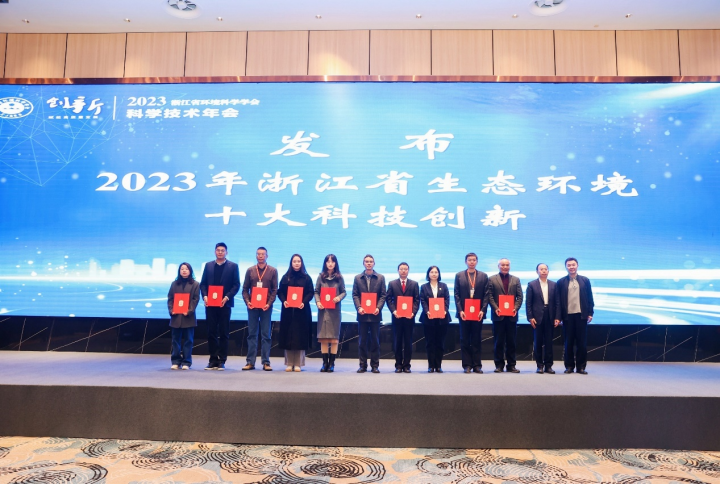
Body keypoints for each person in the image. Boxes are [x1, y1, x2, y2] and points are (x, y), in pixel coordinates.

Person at [199, 242, 240, 370]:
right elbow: (203, 284)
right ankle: (213, 360)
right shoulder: (208, 266)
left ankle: (222, 360)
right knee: (211, 332)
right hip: (210, 304)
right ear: (215, 252)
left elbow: (236, 285)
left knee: (224, 333)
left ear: (226, 252)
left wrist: (227, 297)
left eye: (223, 250)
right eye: (218, 250)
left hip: (225, 304)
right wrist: (205, 296)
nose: (220, 252)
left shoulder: (233, 266)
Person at [241, 247, 278, 371]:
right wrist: (248, 302)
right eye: (258, 254)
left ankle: (266, 362)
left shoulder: (273, 271)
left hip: (266, 307)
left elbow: (275, 290)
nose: (260, 256)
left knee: (266, 335)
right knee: (252, 334)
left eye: (263, 254)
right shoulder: (250, 270)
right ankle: (250, 362)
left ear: (267, 256)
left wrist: (269, 303)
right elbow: (245, 289)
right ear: (256, 256)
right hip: (252, 307)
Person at [556, 257, 595, 375]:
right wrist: (558, 316)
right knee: (568, 342)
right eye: (569, 265)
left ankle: (581, 367)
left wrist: (590, 312)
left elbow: (590, 297)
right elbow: (558, 301)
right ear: (566, 267)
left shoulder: (585, 280)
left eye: (573, 265)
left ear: (577, 266)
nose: (571, 267)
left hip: (581, 316)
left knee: (581, 343)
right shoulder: (561, 282)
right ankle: (569, 366)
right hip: (567, 316)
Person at [277, 254, 314, 372]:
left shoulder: (307, 278)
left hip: (302, 311)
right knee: (288, 336)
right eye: (294, 261)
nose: (297, 263)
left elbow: (311, 292)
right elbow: (280, 292)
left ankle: (298, 363)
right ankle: (289, 363)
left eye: (298, 261)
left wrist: (304, 302)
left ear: (301, 263)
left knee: (300, 336)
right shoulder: (285, 277)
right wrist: (284, 301)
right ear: (291, 263)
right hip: (288, 311)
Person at [486, 258, 523, 373]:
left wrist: (515, 308)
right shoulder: (492, 279)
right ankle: (499, 365)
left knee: (511, 342)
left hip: (512, 316)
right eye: (502, 265)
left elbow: (520, 296)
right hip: (498, 315)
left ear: (510, 266)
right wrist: (495, 308)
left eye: (507, 265)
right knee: (498, 342)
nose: (505, 267)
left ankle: (511, 365)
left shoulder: (516, 279)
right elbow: (489, 296)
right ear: (498, 266)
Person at [454, 252, 489, 374]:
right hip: (464, 313)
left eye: (474, 260)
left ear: (477, 262)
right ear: (466, 262)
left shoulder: (483, 276)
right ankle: (467, 365)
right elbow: (456, 294)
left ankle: (477, 365)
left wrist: (483, 310)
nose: (472, 262)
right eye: (469, 260)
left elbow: (486, 295)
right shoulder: (459, 276)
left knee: (476, 339)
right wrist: (460, 310)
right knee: (464, 339)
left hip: (478, 313)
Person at [352, 254, 387, 373]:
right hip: (362, 315)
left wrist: (378, 307)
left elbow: (383, 295)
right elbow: (355, 295)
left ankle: (375, 365)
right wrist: (359, 307)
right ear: (363, 263)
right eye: (366, 261)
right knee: (362, 341)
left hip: (375, 315)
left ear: (374, 263)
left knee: (375, 341)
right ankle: (362, 365)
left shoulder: (380, 278)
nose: (369, 263)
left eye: (371, 261)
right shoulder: (357, 278)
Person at [386, 262, 420, 373]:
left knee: (408, 342)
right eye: (401, 269)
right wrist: (394, 311)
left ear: (408, 271)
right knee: (397, 342)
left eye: (405, 269)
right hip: (397, 317)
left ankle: (407, 365)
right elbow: (388, 299)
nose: (403, 271)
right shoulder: (392, 284)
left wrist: (413, 312)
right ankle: (398, 365)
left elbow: (417, 300)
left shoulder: (414, 284)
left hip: (409, 318)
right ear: (398, 270)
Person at [314, 254, 346, 372]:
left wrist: (338, 297)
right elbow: (316, 291)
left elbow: (344, 292)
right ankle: (324, 363)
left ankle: (332, 363)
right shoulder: (320, 277)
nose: (330, 264)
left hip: (335, 312)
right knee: (323, 337)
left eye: (332, 261)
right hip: (323, 311)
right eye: (328, 261)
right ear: (325, 263)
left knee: (334, 338)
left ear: (335, 263)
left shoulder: (339, 277)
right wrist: (318, 302)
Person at [526, 263, 559, 374]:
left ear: (548, 271)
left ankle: (548, 366)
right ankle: (539, 365)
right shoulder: (532, 284)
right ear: (537, 271)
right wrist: (530, 317)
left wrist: (557, 317)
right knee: (538, 342)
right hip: (537, 317)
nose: (544, 271)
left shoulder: (554, 285)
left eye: (545, 269)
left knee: (549, 342)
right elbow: (528, 303)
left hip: (550, 316)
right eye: (541, 269)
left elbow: (558, 302)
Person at [167, 262, 200, 370]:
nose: (184, 271)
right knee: (175, 340)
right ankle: (176, 361)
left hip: (188, 317)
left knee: (188, 340)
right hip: (176, 316)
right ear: (179, 271)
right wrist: (171, 310)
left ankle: (186, 362)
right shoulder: (174, 284)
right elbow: (170, 298)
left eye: (186, 269)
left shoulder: (195, 284)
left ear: (190, 271)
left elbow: (195, 299)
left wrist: (189, 311)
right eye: (182, 269)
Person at [419, 266, 452, 373]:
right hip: (428, 318)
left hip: (442, 318)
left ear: (439, 274)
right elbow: (422, 300)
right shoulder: (424, 287)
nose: (434, 274)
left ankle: (438, 365)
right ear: (428, 274)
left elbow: (447, 299)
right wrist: (427, 311)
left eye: (436, 272)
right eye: (432, 272)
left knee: (440, 343)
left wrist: (445, 311)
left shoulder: (444, 286)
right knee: (430, 343)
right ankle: (431, 365)